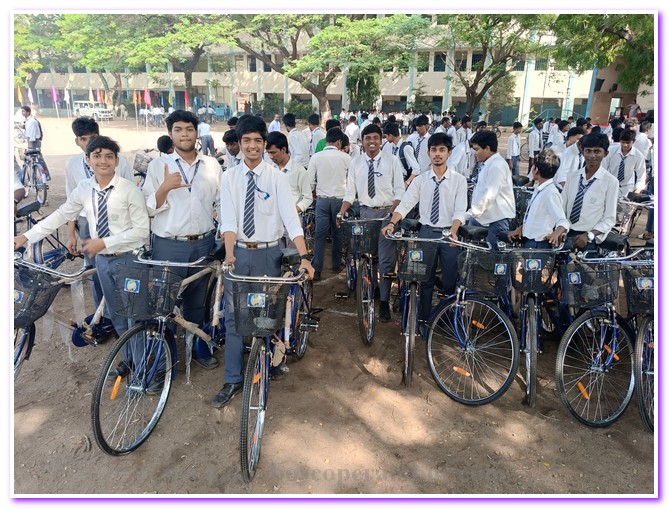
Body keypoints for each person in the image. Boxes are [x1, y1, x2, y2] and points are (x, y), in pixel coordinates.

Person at [214, 115, 315, 408]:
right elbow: (228, 219)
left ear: (264, 143)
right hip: (238, 253)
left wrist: (305, 257)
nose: (252, 146)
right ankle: (233, 379)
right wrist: (229, 253)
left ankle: (270, 360)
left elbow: (291, 221)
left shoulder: (277, 178)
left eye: (258, 140)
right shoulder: (229, 177)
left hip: (269, 254)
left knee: (265, 312)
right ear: (239, 142)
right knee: (233, 317)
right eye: (246, 140)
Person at [14, 136, 149, 342]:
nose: (103, 161)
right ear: (88, 159)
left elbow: (141, 231)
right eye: (97, 156)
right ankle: (127, 356)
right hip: (102, 261)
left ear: (117, 161)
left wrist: (104, 242)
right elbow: (61, 214)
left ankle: (142, 361)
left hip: (129, 259)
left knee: (135, 316)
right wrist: (26, 236)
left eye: (109, 156)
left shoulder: (129, 190)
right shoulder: (84, 188)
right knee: (117, 315)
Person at [143, 110, 222, 370]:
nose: (184, 134)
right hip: (169, 245)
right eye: (178, 130)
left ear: (197, 133)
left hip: (203, 243)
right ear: (170, 134)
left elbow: (221, 202)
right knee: (163, 302)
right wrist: (164, 188)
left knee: (198, 301)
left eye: (189, 129)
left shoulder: (211, 165)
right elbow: (148, 208)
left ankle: (198, 347)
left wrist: (223, 229)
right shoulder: (157, 166)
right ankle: (163, 359)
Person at [381, 132, 467, 323]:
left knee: (450, 280)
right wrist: (392, 223)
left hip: (449, 234)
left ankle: (445, 319)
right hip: (426, 233)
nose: (438, 154)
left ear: (449, 153)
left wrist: (454, 230)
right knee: (424, 280)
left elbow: (460, 211)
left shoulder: (459, 180)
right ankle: (424, 320)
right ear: (428, 153)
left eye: (442, 150)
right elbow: (405, 204)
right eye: (434, 150)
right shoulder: (421, 180)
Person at [64, 117, 134, 310]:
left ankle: (127, 314)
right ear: (77, 141)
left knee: (123, 267)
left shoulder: (120, 161)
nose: (89, 143)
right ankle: (103, 315)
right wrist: (71, 235)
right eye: (83, 139)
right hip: (88, 223)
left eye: (93, 137)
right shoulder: (72, 164)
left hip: (118, 220)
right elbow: (71, 201)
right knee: (95, 270)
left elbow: (132, 193)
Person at [337, 124, 404, 322]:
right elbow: (350, 192)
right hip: (365, 213)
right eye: (368, 138)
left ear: (381, 140)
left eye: (375, 138)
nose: (372, 142)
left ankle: (384, 302)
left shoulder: (392, 161)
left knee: (385, 261)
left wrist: (392, 212)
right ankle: (373, 288)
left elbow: (400, 191)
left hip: (387, 214)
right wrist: (341, 212)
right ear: (362, 141)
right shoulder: (355, 162)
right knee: (368, 256)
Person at [451, 130, 515, 248]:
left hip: (495, 221)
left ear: (487, 148)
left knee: (492, 256)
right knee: (470, 251)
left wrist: (465, 216)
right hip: (480, 218)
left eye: (477, 149)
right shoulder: (488, 164)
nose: (475, 153)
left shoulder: (497, 166)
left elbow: (488, 196)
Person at [307, 127, 351, 280]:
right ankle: (336, 264)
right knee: (338, 234)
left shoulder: (316, 157)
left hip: (322, 200)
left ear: (327, 140)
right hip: (340, 201)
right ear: (339, 142)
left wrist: (313, 192)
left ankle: (317, 268)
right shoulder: (346, 158)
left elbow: (310, 181)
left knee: (320, 235)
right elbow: (351, 181)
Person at [562, 132, 619, 250]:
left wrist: (589, 235)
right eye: (588, 151)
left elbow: (609, 218)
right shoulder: (572, 177)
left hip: (588, 237)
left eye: (597, 151)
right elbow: (561, 207)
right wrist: (561, 229)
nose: (592, 155)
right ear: (582, 152)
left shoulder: (610, 182)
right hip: (566, 234)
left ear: (605, 153)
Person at [507, 149, 569, 249]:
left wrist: (555, 234)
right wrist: (521, 229)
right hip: (530, 241)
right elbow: (535, 218)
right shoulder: (539, 189)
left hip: (540, 244)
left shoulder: (551, 193)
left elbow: (563, 221)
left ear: (535, 170)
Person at [266, 131, 313, 248]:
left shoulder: (299, 171)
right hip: (273, 220)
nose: (271, 157)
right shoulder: (269, 170)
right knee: (275, 252)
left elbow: (308, 197)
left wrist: (293, 210)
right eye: (268, 153)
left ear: (283, 149)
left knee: (293, 254)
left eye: (273, 153)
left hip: (293, 219)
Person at [601, 128, 646, 198]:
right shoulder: (611, 151)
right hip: (610, 185)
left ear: (633, 141)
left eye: (628, 143)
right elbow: (603, 169)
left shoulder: (638, 156)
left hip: (627, 188)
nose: (625, 145)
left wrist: (637, 190)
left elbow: (641, 175)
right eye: (623, 142)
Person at [21, 105, 51, 182]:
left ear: (28, 112)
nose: (22, 113)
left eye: (23, 111)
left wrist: (30, 143)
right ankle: (34, 175)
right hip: (31, 141)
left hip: (34, 142)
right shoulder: (28, 121)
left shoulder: (32, 121)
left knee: (38, 159)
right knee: (32, 159)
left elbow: (32, 133)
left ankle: (46, 175)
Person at [407, 114, 432, 179]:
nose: (418, 128)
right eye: (417, 126)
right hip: (413, 173)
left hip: (425, 174)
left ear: (427, 126)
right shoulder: (413, 139)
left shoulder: (431, 140)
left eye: (420, 126)